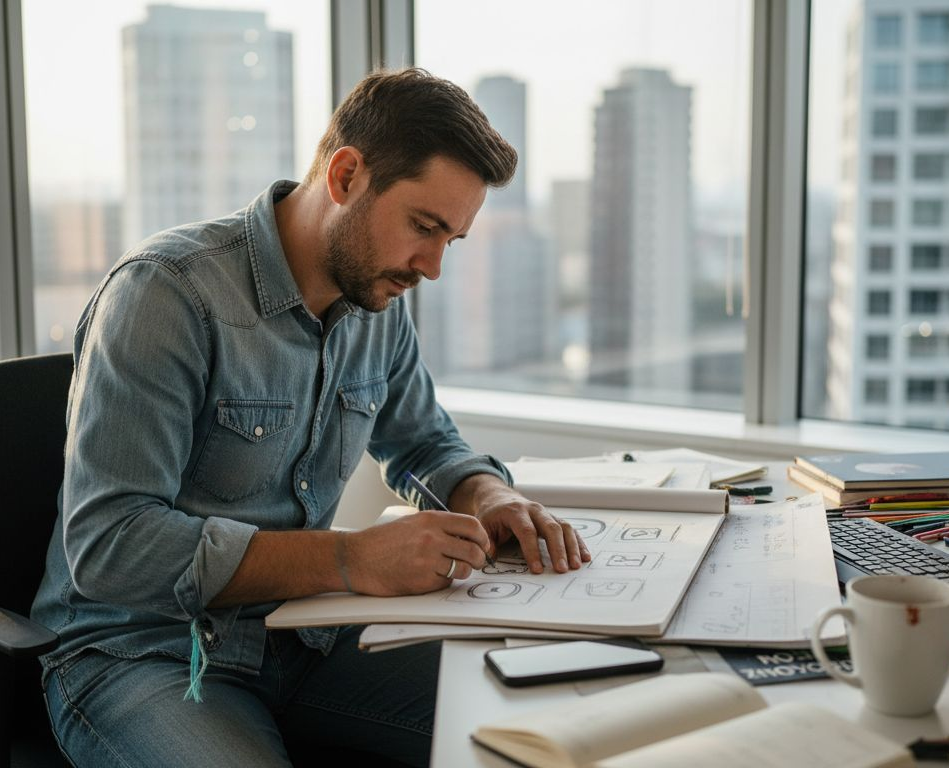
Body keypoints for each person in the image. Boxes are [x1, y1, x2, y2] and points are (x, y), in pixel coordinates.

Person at [30, 67, 590, 767]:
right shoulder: (166, 294)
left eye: (452, 239)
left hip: (305, 636)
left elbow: (423, 440)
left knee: (553, 731)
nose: (433, 267)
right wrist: (352, 559)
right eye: (424, 227)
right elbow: (113, 545)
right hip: (143, 655)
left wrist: (488, 493)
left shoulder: (376, 302)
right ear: (347, 175)